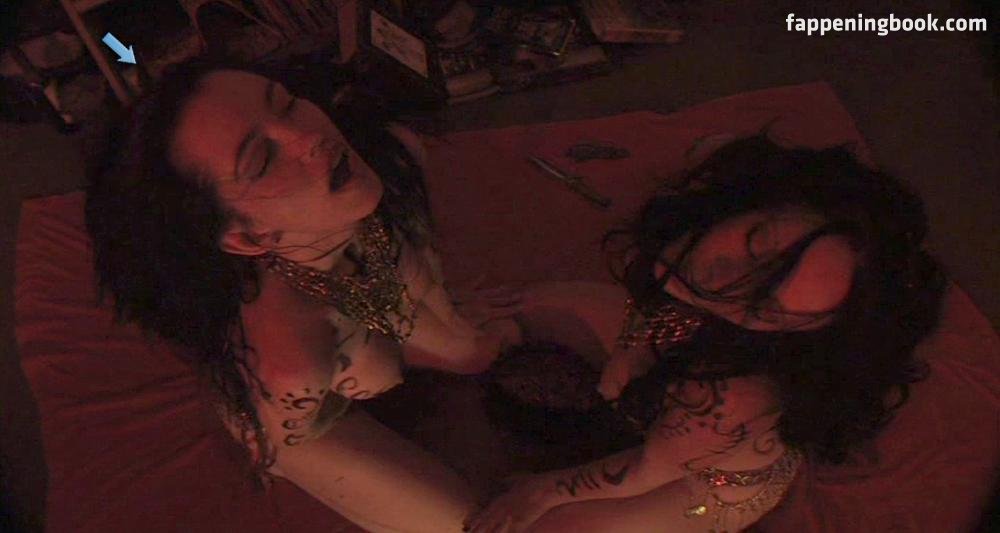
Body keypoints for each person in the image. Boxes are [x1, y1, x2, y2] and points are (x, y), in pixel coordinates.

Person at [84, 58, 519, 533]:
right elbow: (281, 430)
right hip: (293, 422)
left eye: (287, 104)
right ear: (250, 238)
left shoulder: (388, 162)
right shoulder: (290, 359)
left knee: (471, 348)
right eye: (262, 160)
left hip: (354, 313)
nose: (311, 136)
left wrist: (460, 339)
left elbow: (441, 315)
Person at [468, 135, 946, 532]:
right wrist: (629, 355)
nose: (722, 282)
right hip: (686, 399)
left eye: (764, 307)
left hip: (704, 483)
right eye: (758, 246)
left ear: (787, 335)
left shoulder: (727, 396)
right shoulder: (703, 230)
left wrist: (541, 492)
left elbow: (644, 472)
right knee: (540, 303)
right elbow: (652, 300)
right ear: (754, 200)